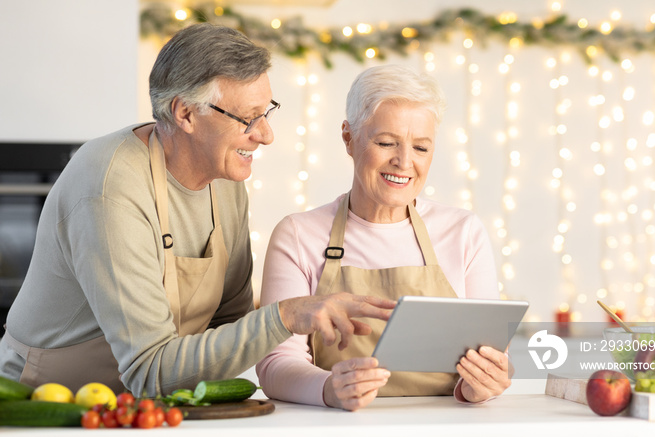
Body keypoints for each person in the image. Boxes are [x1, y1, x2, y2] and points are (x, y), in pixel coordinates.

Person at [0, 23, 395, 397]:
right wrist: (285, 316)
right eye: (247, 118)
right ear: (185, 114)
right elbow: (149, 369)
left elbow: (231, 326)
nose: (265, 134)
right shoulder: (109, 187)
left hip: (155, 399)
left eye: (267, 111)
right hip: (47, 400)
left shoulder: (224, 180)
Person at [256, 64, 511, 411]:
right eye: (386, 142)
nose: (404, 162)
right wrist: (330, 388)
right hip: (338, 428)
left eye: (421, 148)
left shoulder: (463, 231)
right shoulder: (299, 235)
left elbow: (495, 357)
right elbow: (274, 365)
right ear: (348, 138)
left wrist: (483, 386)